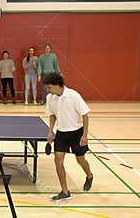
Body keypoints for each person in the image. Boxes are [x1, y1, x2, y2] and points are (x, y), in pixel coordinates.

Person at [43, 73, 93, 201]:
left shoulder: (73, 95)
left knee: (80, 160)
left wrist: (85, 135)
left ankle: (89, 175)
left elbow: (85, 115)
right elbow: (52, 115)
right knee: (58, 161)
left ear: (57, 85)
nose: (47, 90)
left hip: (77, 133)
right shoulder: (50, 98)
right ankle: (65, 191)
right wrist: (50, 131)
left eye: (49, 87)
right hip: (61, 134)